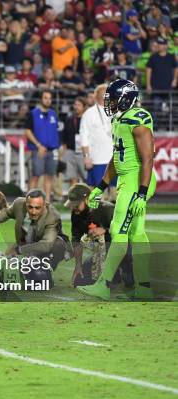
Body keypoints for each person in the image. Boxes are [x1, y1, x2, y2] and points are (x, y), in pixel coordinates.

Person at [77, 79, 156, 301]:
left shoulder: (138, 118)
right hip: (127, 179)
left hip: (136, 180)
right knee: (136, 233)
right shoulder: (120, 119)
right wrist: (101, 186)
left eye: (113, 98)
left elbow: (148, 158)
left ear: (126, 99)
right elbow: (116, 156)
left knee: (118, 230)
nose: (109, 103)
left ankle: (104, 285)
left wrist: (141, 192)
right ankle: (144, 288)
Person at [0, 189, 72, 287]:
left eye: (37, 208)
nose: (33, 212)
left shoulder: (53, 216)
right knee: (7, 261)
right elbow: (8, 213)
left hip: (51, 246)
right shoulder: (19, 204)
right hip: (26, 241)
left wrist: (19, 250)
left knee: (58, 244)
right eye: (30, 207)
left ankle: (45, 274)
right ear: (26, 204)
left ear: (44, 205)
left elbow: (46, 245)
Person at [64, 183, 133, 288]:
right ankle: (114, 275)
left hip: (121, 248)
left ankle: (127, 271)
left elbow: (125, 230)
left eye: (76, 205)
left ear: (87, 199)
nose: (74, 208)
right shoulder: (76, 214)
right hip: (101, 253)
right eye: (72, 205)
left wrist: (105, 230)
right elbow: (76, 240)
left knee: (130, 282)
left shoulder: (106, 208)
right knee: (80, 281)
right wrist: (78, 266)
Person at [25, 90, 60, 202]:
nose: (48, 100)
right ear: (41, 99)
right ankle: (29, 201)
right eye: (45, 98)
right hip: (38, 150)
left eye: (50, 98)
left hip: (51, 150)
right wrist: (38, 145)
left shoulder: (53, 114)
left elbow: (56, 131)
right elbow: (28, 131)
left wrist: (58, 147)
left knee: (49, 176)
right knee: (35, 176)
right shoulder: (33, 113)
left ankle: (47, 202)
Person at [79, 84, 113, 188]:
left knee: (115, 194)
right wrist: (86, 157)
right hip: (97, 160)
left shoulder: (116, 111)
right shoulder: (89, 114)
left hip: (114, 159)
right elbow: (83, 137)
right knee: (98, 193)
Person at [61, 97, 87, 186]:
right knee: (72, 178)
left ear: (84, 107)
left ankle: (87, 199)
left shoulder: (88, 119)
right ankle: (74, 199)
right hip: (70, 152)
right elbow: (64, 137)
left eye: (79, 105)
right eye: (75, 105)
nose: (76, 107)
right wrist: (64, 152)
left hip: (84, 153)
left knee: (86, 178)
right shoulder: (69, 119)